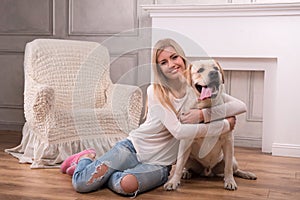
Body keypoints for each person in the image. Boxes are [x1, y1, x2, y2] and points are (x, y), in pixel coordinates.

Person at [60, 38, 246, 197]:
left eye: (174, 57)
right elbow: (179, 131)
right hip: (134, 148)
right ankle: (86, 158)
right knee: (82, 184)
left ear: (183, 58)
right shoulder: (156, 91)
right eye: (163, 62)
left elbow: (240, 106)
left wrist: (202, 114)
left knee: (126, 186)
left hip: (160, 164)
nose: (171, 64)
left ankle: (109, 173)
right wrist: (223, 125)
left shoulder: (199, 88)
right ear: (159, 68)